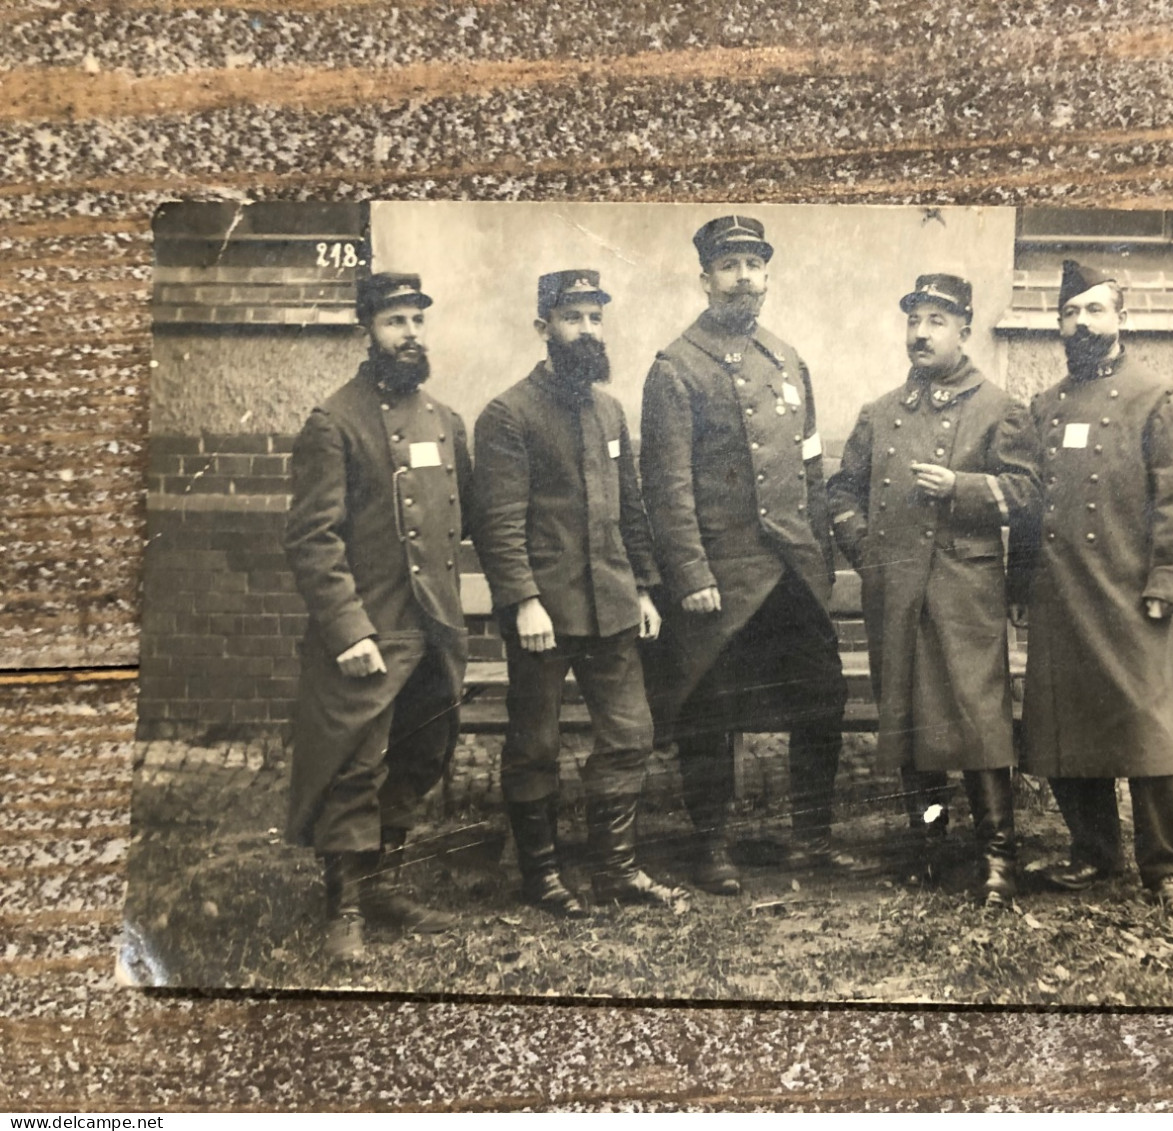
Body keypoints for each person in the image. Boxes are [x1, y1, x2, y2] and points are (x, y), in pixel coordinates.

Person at [640, 215, 858, 895]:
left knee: (823, 696)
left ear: (767, 276)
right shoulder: (676, 368)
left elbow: (811, 471)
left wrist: (818, 564)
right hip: (720, 579)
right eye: (728, 266)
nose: (742, 279)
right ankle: (712, 846)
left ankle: (813, 839)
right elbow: (666, 489)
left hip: (790, 572)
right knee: (712, 711)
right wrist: (691, 576)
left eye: (753, 265)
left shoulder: (788, 361)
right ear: (704, 277)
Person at [469, 269, 681, 916]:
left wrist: (643, 587)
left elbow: (633, 509)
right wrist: (524, 600)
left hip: (612, 602)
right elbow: (498, 522)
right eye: (573, 318)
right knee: (535, 744)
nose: (586, 330)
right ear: (544, 327)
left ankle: (615, 870)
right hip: (545, 611)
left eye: (595, 317)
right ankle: (542, 876)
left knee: (629, 734)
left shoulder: (609, 410)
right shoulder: (508, 415)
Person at [828, 274, 1038, 906]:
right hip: (896, 593)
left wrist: (963, 488)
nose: (921, 333)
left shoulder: (1000, 409)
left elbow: (1029, 497)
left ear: (964, 331)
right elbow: (840, 491)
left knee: (978, 720)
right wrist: (867, 552)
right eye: (914, 320)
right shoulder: (882, 413)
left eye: (937, 321)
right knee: (911, 720)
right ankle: (929, 846)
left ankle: (997, 856)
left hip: (964, 590)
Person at [284, 272, 472, 963]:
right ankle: (344, 909)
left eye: (418, 320)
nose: (410, 334)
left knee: (420, 757)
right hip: (371, 633)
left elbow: (461, 521)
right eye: (395, 321)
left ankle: (385, 885)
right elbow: (312, 538)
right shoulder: (334, 423)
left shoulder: (445, 421)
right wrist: (349, 629)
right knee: (356, 766)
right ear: (368, 328)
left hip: (432, 633)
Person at [1021, 259, 1173, 910]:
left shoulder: (1156, 398)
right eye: (1070, 313)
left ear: (1121, 319)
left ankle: (1165, 865)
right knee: (1067, 728)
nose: (1081, 323)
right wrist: (1024, 588)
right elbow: (1028, 504)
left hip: (1132, 595)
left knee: (1145, 731)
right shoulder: (1044, 407)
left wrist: (1168, 580)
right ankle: (1093, 852)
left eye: (1095, 310)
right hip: (1062, 595)